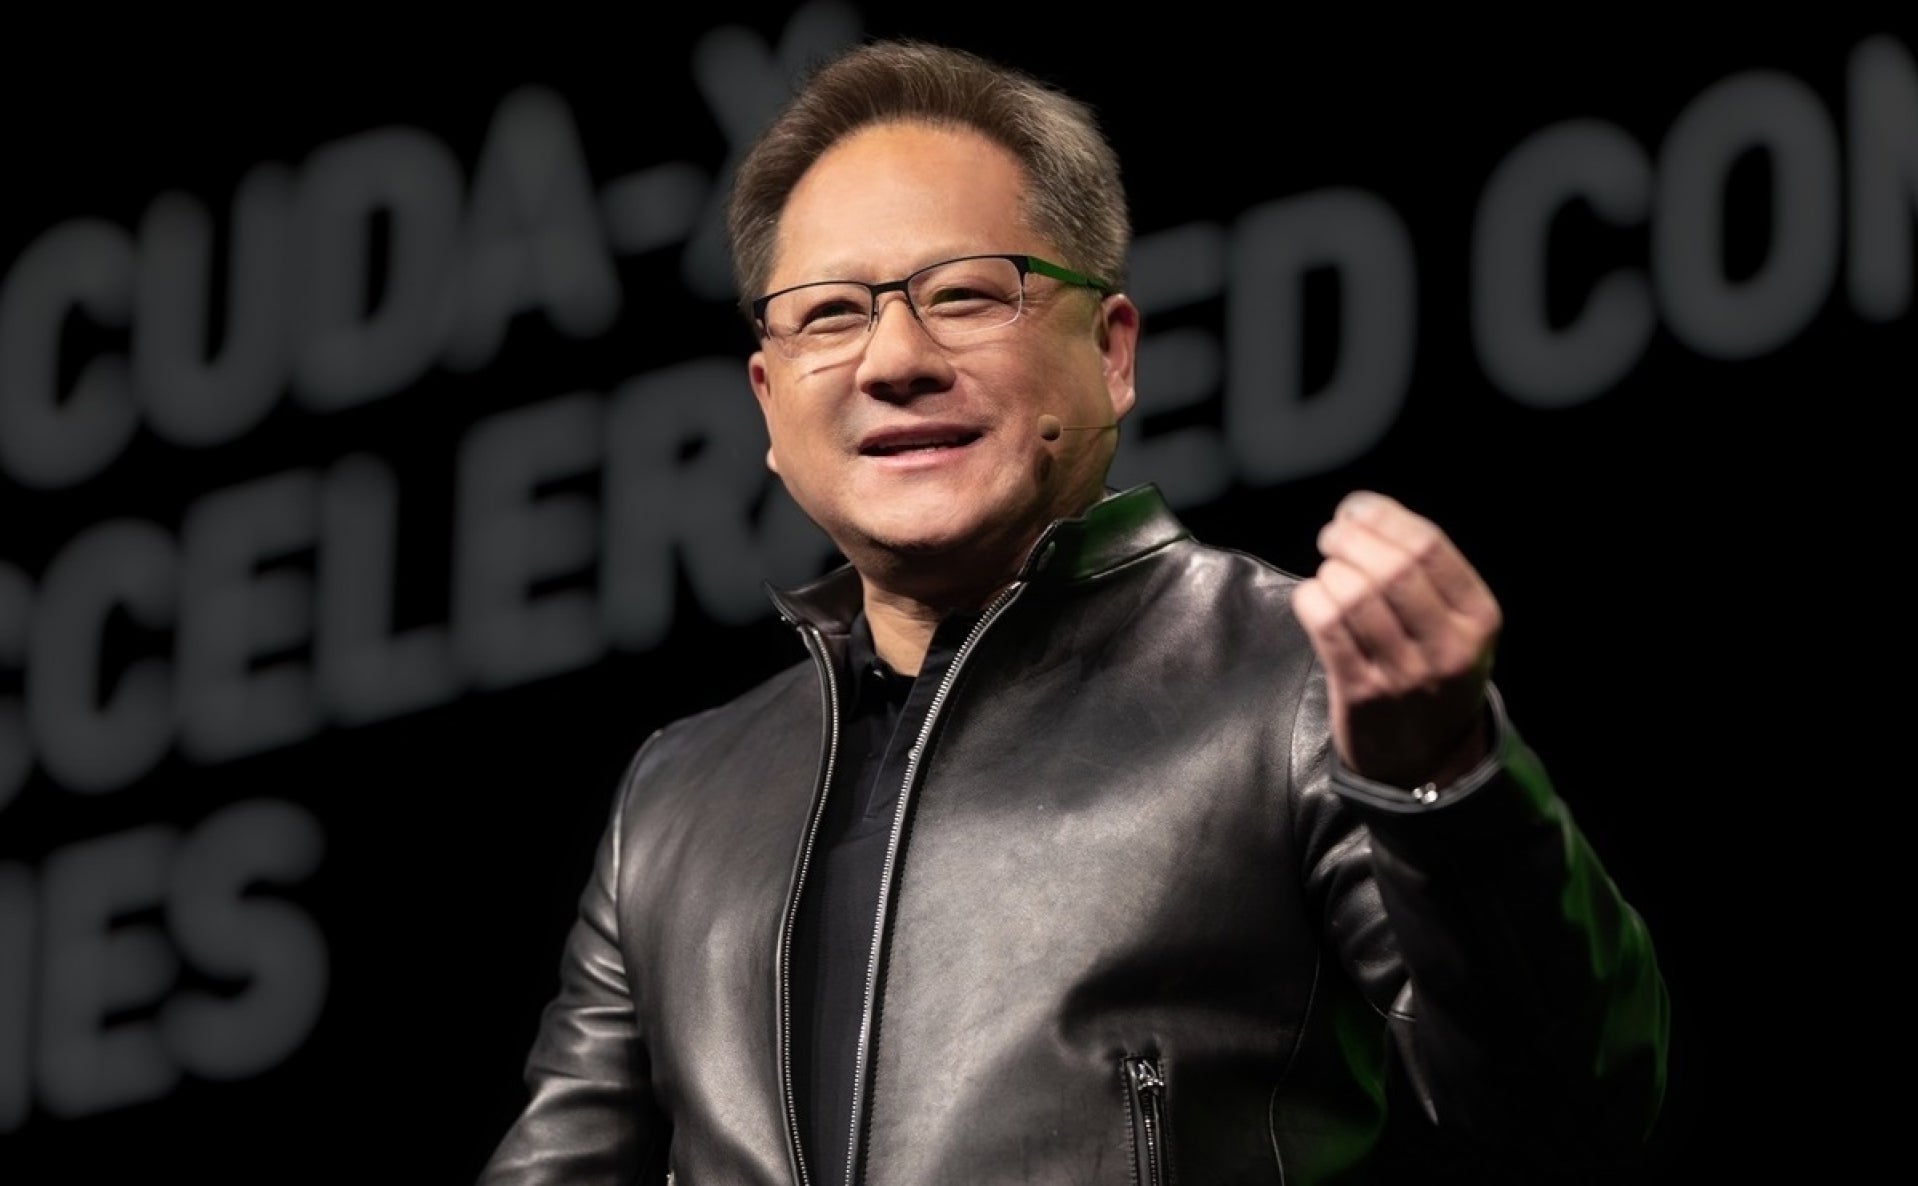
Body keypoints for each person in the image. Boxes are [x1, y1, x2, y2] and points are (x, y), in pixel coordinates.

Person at [479, 37, 1669, 1186]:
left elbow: (1567, 1107)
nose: (892, 359)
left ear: (1111, 352)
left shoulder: (1289, 679)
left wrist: (1443, 785)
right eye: (830, 315)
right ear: (767, 401)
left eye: (963, 293)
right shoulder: (677, 795)